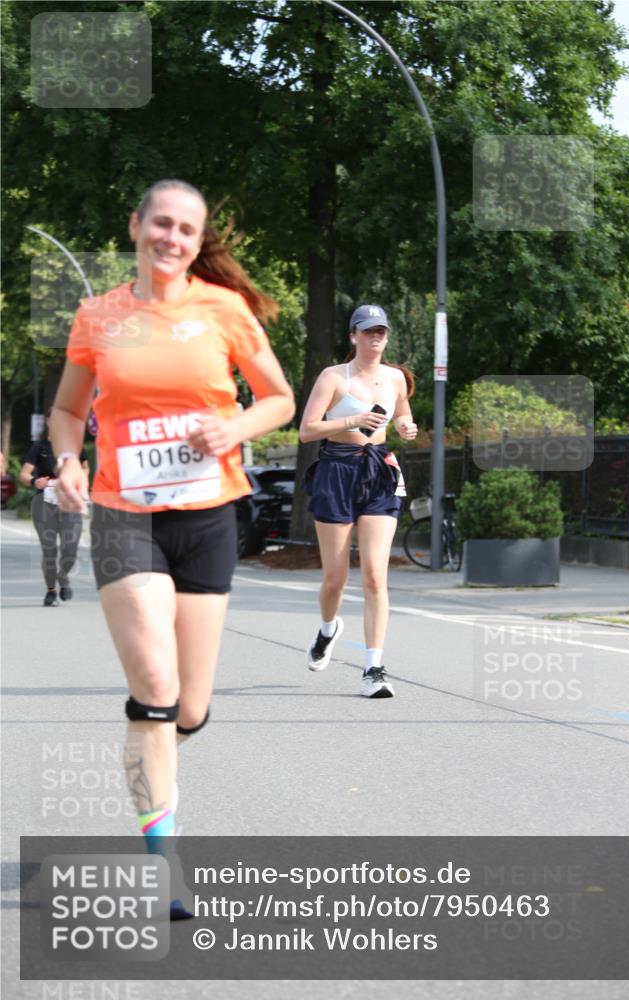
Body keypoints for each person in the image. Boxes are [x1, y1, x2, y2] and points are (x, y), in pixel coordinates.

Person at [51, 179, 295, 918]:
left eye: (186, 229)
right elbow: (67, 410)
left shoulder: (224, 311)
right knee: (154, 693)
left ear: (197, 240)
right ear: (136, 225)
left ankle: (154, 761)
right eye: (161, 223)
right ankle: (166, 859)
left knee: (189, 709)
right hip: (124, 512)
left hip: (208, 515)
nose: (172, 237)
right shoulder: (99, 315)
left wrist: (236, 429)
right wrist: (67, 461)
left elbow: (279, 398)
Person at [299, 304, 418, 698]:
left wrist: (404, 424)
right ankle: (328, 628)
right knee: (336, 578)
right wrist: (352, 421)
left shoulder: (396, 378)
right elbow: (307, 430)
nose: (375, 338)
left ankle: (374, 670)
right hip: (337, 470)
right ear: (353, 336)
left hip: (380, 471)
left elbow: (401, 412)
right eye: (367, 332)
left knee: (374, 575)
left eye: (381, 331)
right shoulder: (334, 377)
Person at [19, 410, 89, 606]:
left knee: (70, 550)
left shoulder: (74, 446)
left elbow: (85, 468)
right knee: (49, 550)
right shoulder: (39, 447)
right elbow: (24, 474)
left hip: (69, 502)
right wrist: (34, 481)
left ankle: (63, 576)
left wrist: (79, 479)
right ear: (48, 421)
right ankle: (51, 592)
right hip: (45, 503)